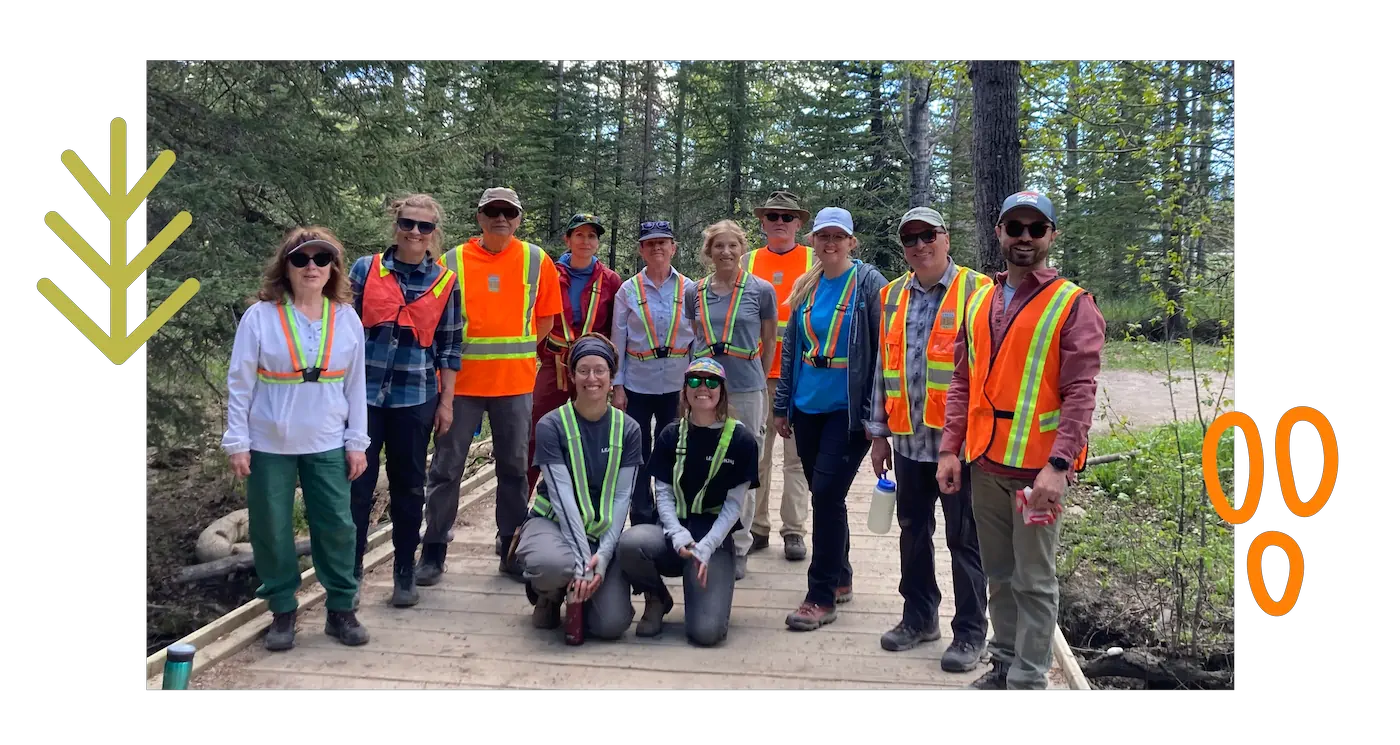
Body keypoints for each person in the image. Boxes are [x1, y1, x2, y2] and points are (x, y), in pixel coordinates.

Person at [936, 190, 1105, 691]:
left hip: (1038, 473)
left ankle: (1028, 681)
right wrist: (950, 447)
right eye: (1015, 228)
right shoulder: (981, 299)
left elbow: (1080, 392)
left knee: (1034, 580)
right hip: (986, 462)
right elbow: (963, 381)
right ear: (1000, 234)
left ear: (1051, 235)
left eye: (1036, 229)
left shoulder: (1072, 304)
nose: (1024, 238)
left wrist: (1060, 464)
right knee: (1000, 574)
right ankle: (1004, 663)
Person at [223, 226, 371, 650]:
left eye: (322, 259)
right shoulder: (261, 316)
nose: (312, 267)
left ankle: (341, 609)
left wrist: (356, 440)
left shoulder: (346, 318)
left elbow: (355, 384)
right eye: (302, 259)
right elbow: (240, 381)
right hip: (269, 441)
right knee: (270, 527)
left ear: (333, 269)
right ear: (285, 266)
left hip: (327, 437)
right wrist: (237, 440)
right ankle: (283, 610)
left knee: (338, 526)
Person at [865, 206, 991, 671]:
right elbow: (885, 364)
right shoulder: (891, 294)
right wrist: (879, 434)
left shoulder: (979, 290)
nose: (919, 245)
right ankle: (919, 617)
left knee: (964, 540)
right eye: (910, 239)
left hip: (960, 447)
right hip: (908, 442)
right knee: (913, 533)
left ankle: (971, 633)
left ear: (946, 237)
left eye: (927, 235)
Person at [421, 187, 562, 585]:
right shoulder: (452, 261)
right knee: (446, 468)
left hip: (514, 385)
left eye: (509, 212)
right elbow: (436, 324)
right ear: (480, 217)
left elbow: (545, 321)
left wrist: (512, 355)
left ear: (518, 218)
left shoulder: (537, 261)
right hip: (459, 386)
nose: (501, 218)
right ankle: (434, 550)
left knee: (515, 470)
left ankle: (511, 547)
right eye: (492, 211)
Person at [771, 207, 888, 632]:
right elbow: (791, 349)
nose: (830, 243)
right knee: (828, 496)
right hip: (807, 406)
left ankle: (819, 596)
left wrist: (878, 421)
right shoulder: (808, 283)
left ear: (852, 242)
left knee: (825, 492)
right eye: (823, 236)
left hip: (848, 410)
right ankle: (841, 577)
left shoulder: (869, 284)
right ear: (813, 242)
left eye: (839, 237)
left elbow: (881, 354)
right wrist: (783, 405)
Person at [347, 194, 463, 609]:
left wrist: (446, 403)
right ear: (396, 224)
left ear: (434, 233)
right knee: (356, 487)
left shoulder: (446, 281)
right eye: (408, 223)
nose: (415, 232)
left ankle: (403, 572)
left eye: (424, 226)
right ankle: (351, 576)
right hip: (362, 397)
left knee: (410, 487)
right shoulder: (366, 269)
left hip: (415, 397)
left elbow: (450, 347)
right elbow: (342, 330)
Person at [617, 358, 760, 647]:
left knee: (706, 633)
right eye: (694, 381)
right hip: (674, 531)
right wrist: (675, 532)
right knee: (631, 544)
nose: (702, 388)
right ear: (684, 390)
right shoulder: (671, 434)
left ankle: (708, 588)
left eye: (711, 382)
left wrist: (707, 545)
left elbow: (734, 505)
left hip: (713, 537)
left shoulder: (742, 440)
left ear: (722, 391)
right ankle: (657, 597)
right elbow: (664, 493)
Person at [511, 334, 645, 641]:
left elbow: (623, 498)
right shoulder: (551, 425)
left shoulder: (629, 429)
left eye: (600, 370)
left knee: (612, 625)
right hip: (554, 523)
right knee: (553, 565)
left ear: (612, 377)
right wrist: (584, 563)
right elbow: (562, 498)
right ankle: (548, 593)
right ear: (571, 375)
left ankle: (582, 594)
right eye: (583, 370)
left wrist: (605, 557)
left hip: (600, 533)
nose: (592, 378)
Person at [685, 219, 778, 580]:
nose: (726, 252)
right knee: (704, 461)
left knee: (745, 466)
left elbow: (769, 341)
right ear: (709, 252)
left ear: (743, 249)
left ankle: (740, 544)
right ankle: (705, 535)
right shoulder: (697, 291)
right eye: (718, 246)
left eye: (732, 246)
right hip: (706, 389)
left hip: (747, 386)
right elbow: (697, 336)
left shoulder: (761, 290)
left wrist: (758, 374)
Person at [741, 191, 815, 562]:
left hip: (801, 374)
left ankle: (794, 530)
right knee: (756, 454)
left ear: (799, 223)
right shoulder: (748, 260)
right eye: (773, 216)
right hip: (755, 373)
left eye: (788, 216)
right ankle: (756, 526)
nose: (780, 222)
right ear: (763, 222)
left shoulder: (815, 260)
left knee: (796, 457)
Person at [610, 220, 696, 527]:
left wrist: (695, 386)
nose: (657, 247)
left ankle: (669, 513)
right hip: (637, 383)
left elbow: (697, 340)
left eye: (663, 242)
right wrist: (616, 385)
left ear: (673, 248)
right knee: (637, 450)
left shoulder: (690, 289)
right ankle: (641, 514)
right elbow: (617, 340)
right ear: (641, 250)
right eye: (650, 243)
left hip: (676, 383)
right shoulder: (627, 290)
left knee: (672, 447)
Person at [528, 213, 623, 494]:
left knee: (589, 432)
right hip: (553, 364)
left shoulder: (610, 280)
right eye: (579, 235)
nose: (585, 241)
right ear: (567, 239)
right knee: (536, 431)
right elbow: (533, 316)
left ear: (597, 243)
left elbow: (613, 328)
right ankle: (516, 513)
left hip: (592, 369)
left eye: (591, 236)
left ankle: (584, 501)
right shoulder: (549, 274)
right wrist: (541, 350)